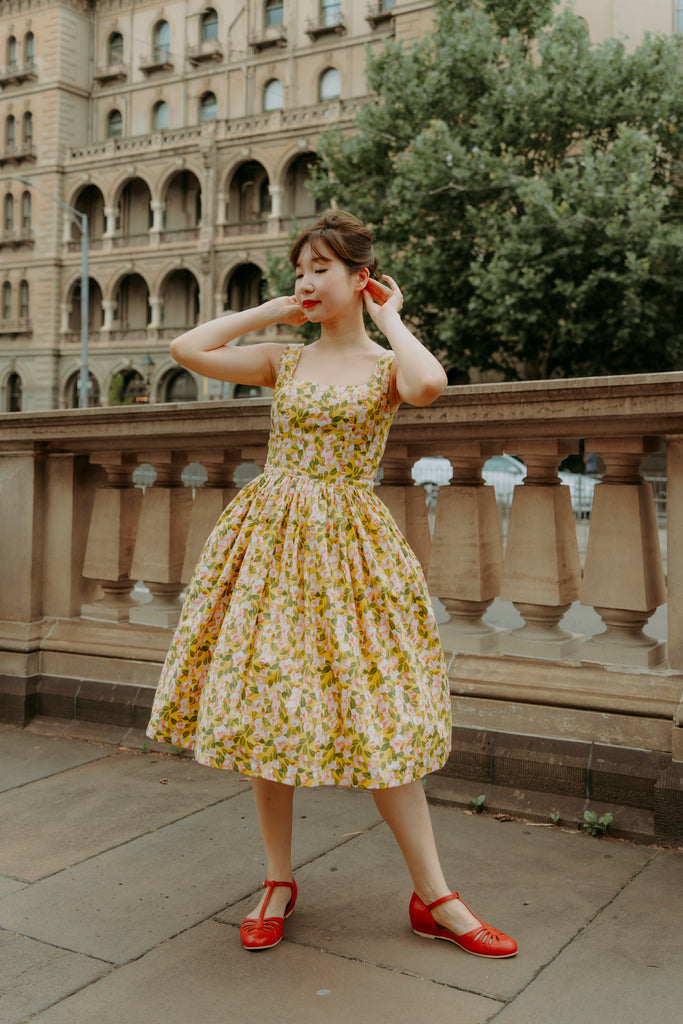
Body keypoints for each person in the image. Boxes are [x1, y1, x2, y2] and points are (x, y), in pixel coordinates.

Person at [146, 211, 517, 959]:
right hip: (268, 545)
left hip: (350, 551)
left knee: (379, 716)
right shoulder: (284, 358)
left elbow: (427, 384)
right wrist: (275, 308)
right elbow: (187, 348)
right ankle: (278, 881)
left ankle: (434, 896)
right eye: (300, 269)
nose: (307, 282)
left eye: (321, 269)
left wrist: (390, 317)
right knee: (265, 711)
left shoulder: (384, 366)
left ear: (360, 278)